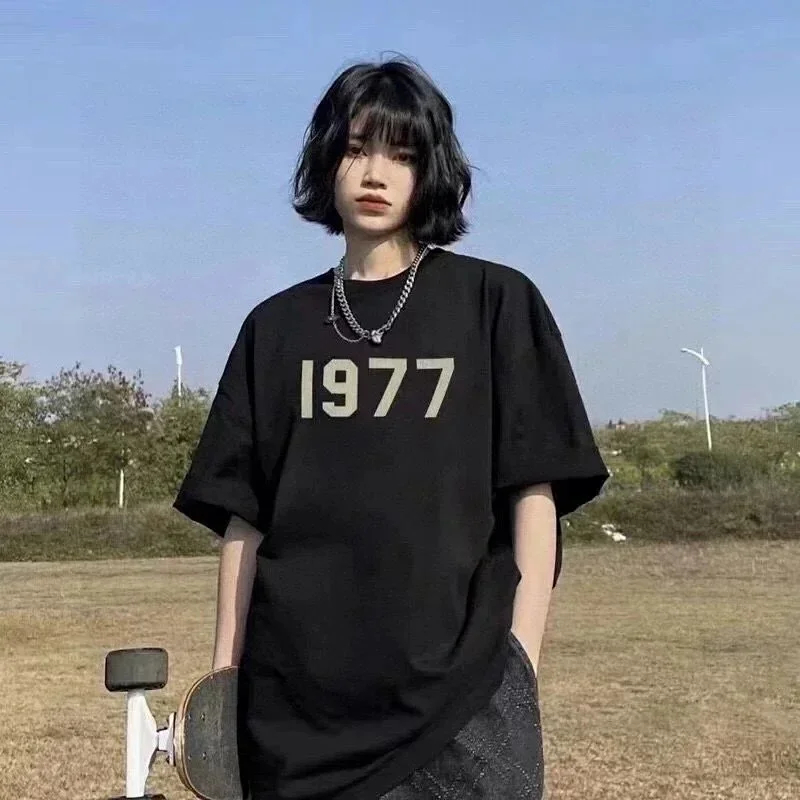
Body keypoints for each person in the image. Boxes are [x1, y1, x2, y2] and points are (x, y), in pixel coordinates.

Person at [173, 56, 609, 800]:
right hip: (295, 709)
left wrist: (520, 663)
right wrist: (225, 679)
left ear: (430, 170)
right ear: (326, 161)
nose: (375, 173)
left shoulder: (496, 303)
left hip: (464, 703)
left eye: (401, 155)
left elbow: (534, 498)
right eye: (356, 149)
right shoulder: (274, 328)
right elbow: (245, 521)